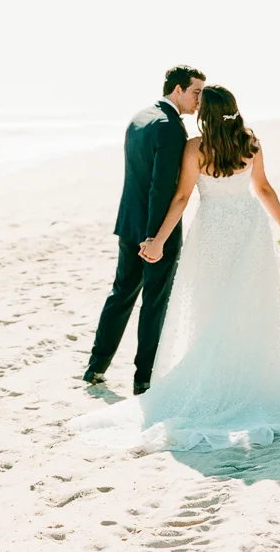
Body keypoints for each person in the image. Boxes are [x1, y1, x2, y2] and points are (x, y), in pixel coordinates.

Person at [72, 84, 280, 452]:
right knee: (250, 304)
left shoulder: (196, 147)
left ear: (207, 113)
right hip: (249, 228)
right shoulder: (250, 142)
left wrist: (157, 239)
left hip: (213, 230)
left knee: (212, 304)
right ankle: (249, 379)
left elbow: (183, 198)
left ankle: (218, 380)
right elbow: (263, 188)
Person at [82, 65, 206, 395]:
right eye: (196, 92)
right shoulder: (170, 128)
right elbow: (160, 188)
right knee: (154, 301)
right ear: (178, 89)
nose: (199, 100)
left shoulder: (139, 118)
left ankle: (96, 366)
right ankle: (144, 378)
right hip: (154, 230)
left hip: (129, 223)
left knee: (121, 293)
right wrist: (156, 239)